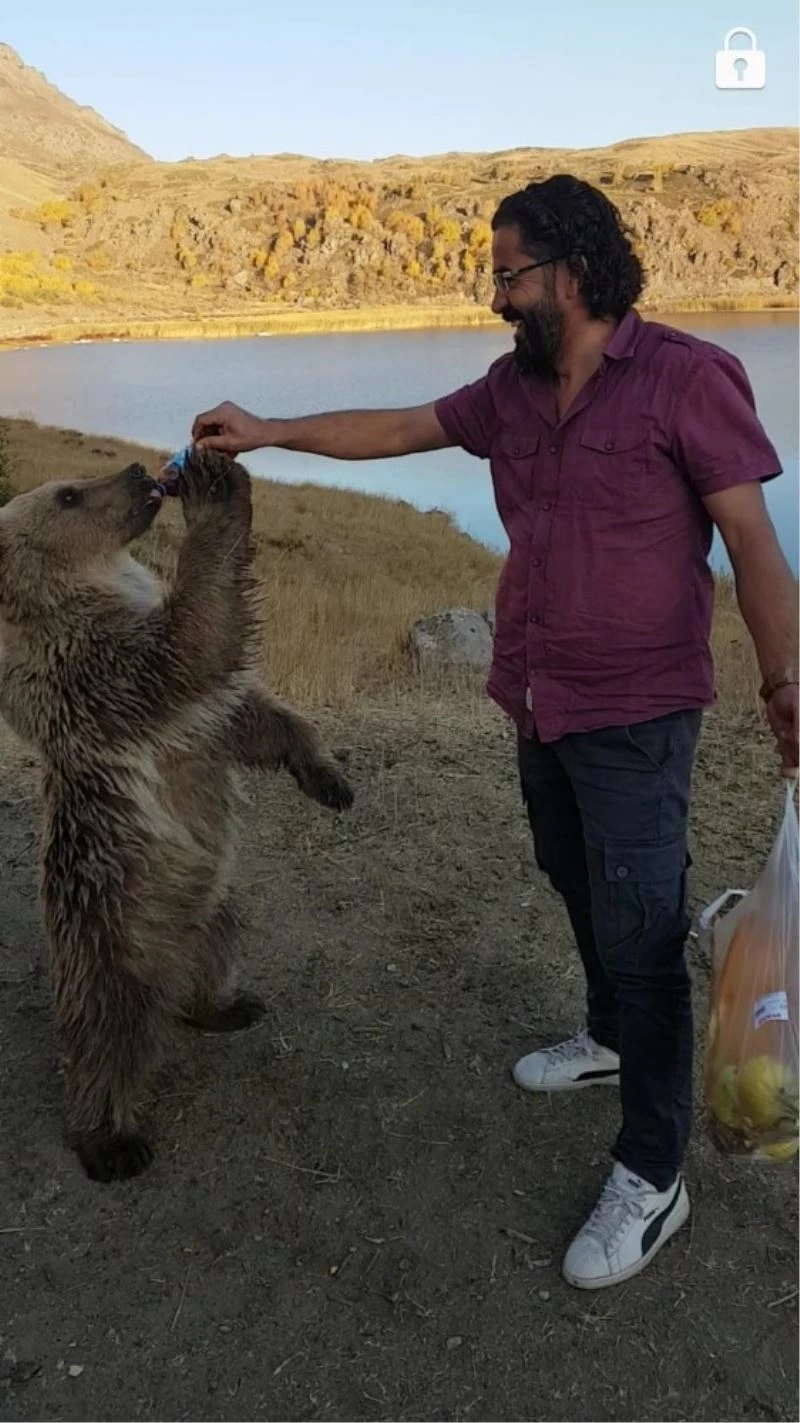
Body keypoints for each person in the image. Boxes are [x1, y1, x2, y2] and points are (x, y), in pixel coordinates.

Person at [190, 175, 799, 1290]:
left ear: (574, 270)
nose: (495, 296)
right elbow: (401, 427)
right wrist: (271, 431)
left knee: (643, 932)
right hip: (537, 695)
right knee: (569, 873)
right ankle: (606, 1035)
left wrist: (785, 676)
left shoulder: (685, 378)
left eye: (510, 275)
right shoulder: (510, 390)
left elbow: (752, 542)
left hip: (636, 713)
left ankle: (653, 1170)